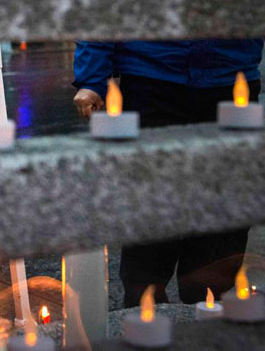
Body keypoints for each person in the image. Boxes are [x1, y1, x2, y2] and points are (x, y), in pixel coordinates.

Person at [72, 39, 263, 307]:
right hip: (152, 78)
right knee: (150, 214)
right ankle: (145, 313)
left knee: (220, 218)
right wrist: (92, 79)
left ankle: (205, 311)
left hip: (230, 76)